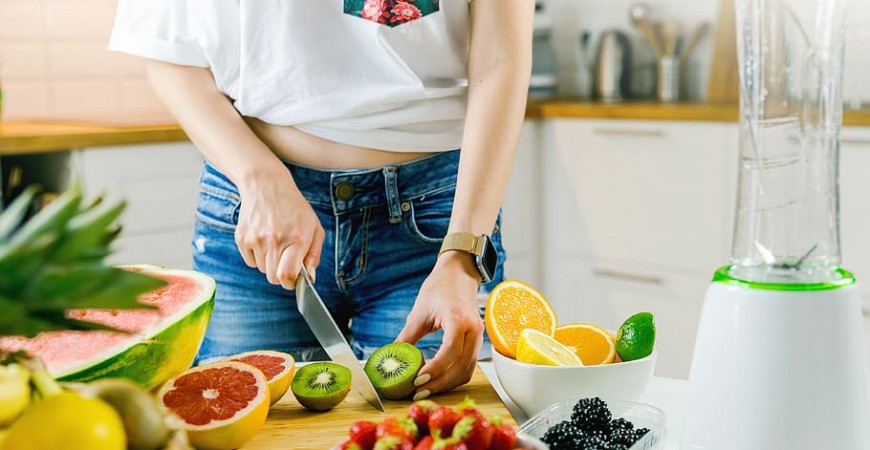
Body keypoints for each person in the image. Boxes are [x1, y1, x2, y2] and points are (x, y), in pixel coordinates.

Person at [109, 0, 533, 400]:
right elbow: (169, 54)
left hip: (435, 226)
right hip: (257, 217)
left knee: (430, 432)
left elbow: (501, 61)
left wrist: (462, 254)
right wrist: (260, 179)